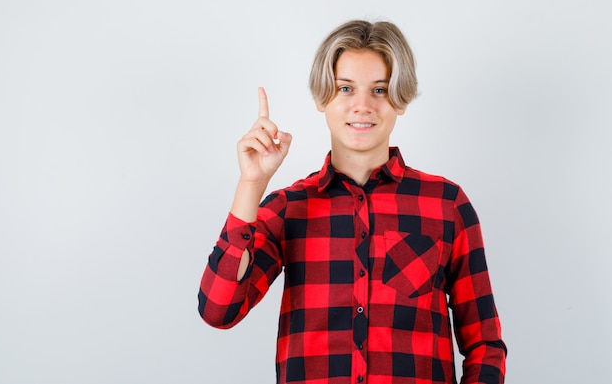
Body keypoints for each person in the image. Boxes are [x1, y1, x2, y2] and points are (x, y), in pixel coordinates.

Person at [198, 19, 507, 384]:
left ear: (400, 100)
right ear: (321, 98)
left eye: (379, 90)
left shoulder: (446, 205)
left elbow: (484, 344)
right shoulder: (288, 208)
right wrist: (251, 183)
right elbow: (219, 310)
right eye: (346, 88)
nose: (363, 106)